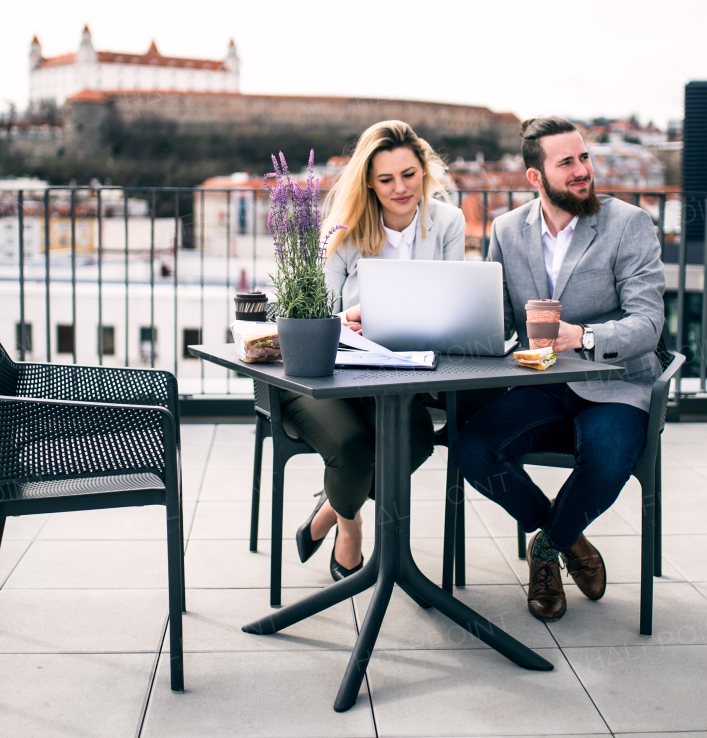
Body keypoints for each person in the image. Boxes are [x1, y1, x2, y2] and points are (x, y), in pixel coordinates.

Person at [450, 116, 665, 621]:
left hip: (615, 382)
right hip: (541, 381)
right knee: (472, 450)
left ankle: (544, 550)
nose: (581, 170)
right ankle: (563, 535)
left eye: (584, 157)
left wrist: (585, 337)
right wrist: (449, 323)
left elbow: (649, 322)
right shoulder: (506, 230)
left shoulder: (628, 223)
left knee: (608, 458)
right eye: (566, 161)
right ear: (535, 176)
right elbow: (498, 318)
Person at [282, 120, 466, 581]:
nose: (400, 188)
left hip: (400, 380)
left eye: (409, 174)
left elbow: (453, 299)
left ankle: (331, 505)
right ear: (368, 180)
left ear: (424, 170)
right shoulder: (341, 231)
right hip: (328, 377)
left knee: (417, 438)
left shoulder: (448, 222)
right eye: (386, 179)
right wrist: (345, 319)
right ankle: (349, 524)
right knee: (353, 448)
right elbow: (313, 315)